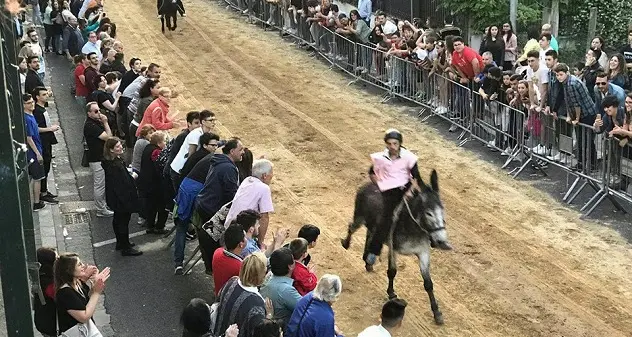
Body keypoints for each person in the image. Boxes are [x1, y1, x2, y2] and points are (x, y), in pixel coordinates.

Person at [365, 129, 423, 266]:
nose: (392, 146)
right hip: (390, 192)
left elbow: (416, 177)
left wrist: (413, 190)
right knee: (386, 219)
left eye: (395, 143)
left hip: (406, 188)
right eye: (389, 143)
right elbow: (371, 173)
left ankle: (430, 237)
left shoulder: (409, 157)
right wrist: (381, 185)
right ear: (386, 144)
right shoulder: (381, 158)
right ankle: (374, 251)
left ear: (400, 144)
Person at [195, 138, 244, 273]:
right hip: (211, 208)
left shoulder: (220, 161)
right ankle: (215, 269)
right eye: (240, 150)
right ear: (232, 151)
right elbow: (231, 194)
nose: (243, 152)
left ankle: (211, 266)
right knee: (218, 240)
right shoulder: (228, 167)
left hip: (204, 204)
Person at [213, 252, 271, 337]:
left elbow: (218, 301)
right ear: (261, 276)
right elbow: (260, 333)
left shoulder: (232, 281)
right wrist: (269, 316)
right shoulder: (257, 304)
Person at [102, 137, 143, 256]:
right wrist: (132, 178)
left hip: (116, 197)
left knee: (118, 220)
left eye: (120, 145)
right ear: (111, 150)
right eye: (117, 147)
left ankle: (121, 242)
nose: (120, 148)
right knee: (123, 222)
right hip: (122, 197)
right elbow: (121, 183)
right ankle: (125, 247)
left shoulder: (112, 162)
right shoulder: (115, 166)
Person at [54, 253, 110, 335]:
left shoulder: (77, 283)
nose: (83, 266)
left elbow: (86, 300)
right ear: (69, 270)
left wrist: (95, 284)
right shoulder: (65, 292)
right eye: (79, 264)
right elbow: (84, 317)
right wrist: (96, 293)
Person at [224, 158, 275, 245]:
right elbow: (264, 217)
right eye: (271, 174)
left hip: (228, 228)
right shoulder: (264, 188)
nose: (272, 176)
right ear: (264, 176)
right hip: (240, 236)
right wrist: (260, 242)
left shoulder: (246, 180)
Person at [83, 101, 114, 217]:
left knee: (102, 183)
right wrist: (105, 123)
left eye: (99, 110)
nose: (99, 113)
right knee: (99, 184)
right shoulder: (91, 126)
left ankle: (102, 205)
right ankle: (100, 208)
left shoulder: (94, 123)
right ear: (89, 113)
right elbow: (109, 138)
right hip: (97, 159)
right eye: (96, 111)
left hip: (99, 158)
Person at [260, 247, 301, 332]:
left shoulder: (268, 277)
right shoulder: (286, 290)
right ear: (290, 266)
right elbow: (306, 307)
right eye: (293, 260)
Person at [138, 131, 169, 234]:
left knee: (150, 206)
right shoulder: (156, 152)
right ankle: (159, 227)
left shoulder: (147, 148)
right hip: (156, 184)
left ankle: (150, 225)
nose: (166, 143)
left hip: (147, 183)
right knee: (162, 206)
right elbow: (160, 166)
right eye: (165, 141)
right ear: (159, 143)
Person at [24, 94, 47, 211]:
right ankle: (36, 203)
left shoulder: (30, 115)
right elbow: (29, 138)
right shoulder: (27, 118)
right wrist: (37, 153)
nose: (32, 104)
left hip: (37, 148)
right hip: (34, 152)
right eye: (28, 103)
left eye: (32, 102)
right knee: (37, 178)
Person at [211, 224, 247, 295]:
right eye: (245, 237)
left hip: (219, 293)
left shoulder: (217, 252)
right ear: (241, 244)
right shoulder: (241, 267)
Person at [34, 247, 58, 337]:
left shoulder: (42, 275)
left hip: (44, 323)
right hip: (51, 325)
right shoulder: (48, 283)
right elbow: (63, 297)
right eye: (56, 259)